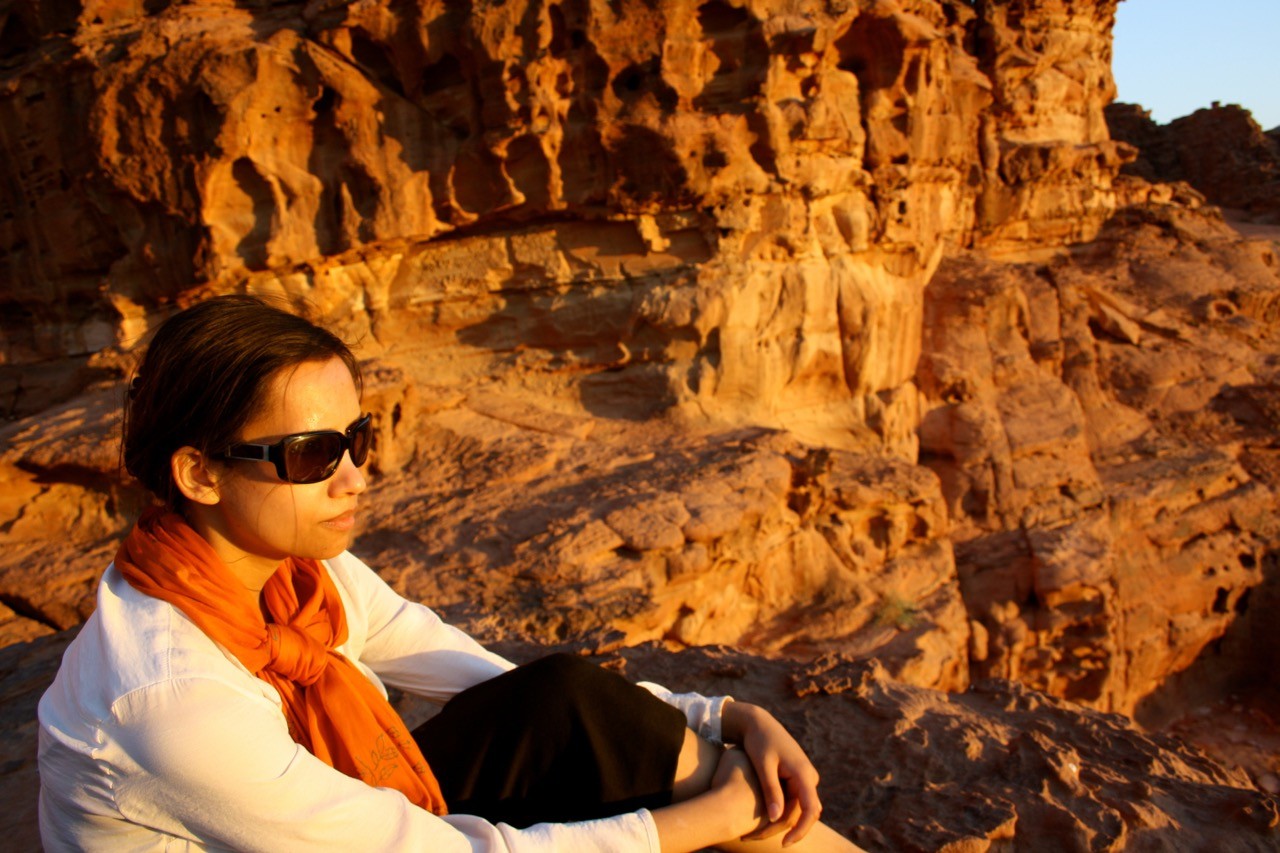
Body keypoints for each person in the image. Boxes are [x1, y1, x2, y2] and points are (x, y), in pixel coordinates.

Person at [37, 294, 862, 852]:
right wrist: (704, 819)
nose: (356, 477)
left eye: (356, 439)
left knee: (565, 697)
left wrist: (726, 716)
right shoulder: (171, 702)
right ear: (199, 473)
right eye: (313, 455)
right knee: (701, 809)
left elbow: (509, 689)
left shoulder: (296, 582)